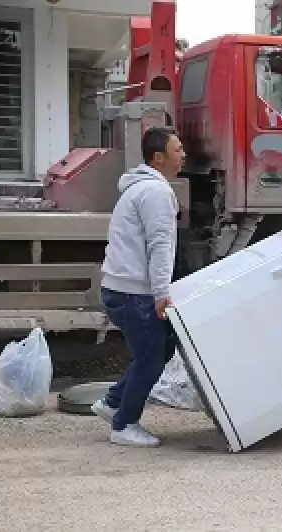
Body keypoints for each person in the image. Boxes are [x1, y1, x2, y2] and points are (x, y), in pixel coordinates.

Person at [91, 126, 185, 447]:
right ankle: (123, 425)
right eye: (177, 150)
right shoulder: (156, 193)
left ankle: (113, 403)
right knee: (151, 359)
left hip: (124, 288)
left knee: (162, 347)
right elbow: (160, 245)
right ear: (158, 158)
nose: (183, 155)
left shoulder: (138, 188)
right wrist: (161, 294)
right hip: (134, 292)